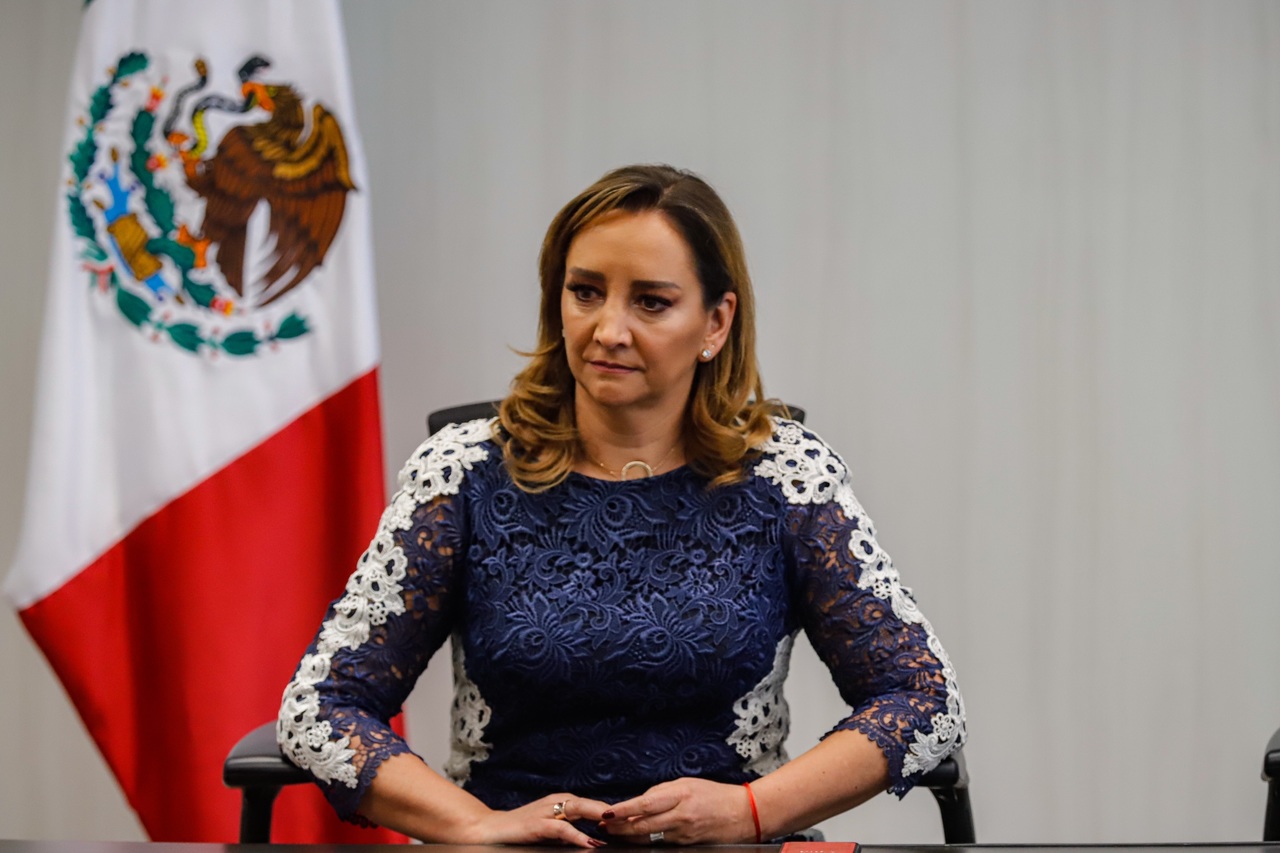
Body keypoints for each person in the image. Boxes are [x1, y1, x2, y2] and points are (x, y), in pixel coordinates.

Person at [277, 164, 965, 846]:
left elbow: (922, 697)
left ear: (716, 322)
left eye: (651, 302)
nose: (608, 329)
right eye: (585, 292)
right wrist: (473, 823)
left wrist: (753, 810)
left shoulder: (786, 478)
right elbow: (322, 708)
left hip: (728, 850)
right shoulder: (464, 474)